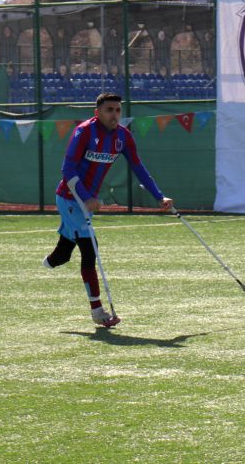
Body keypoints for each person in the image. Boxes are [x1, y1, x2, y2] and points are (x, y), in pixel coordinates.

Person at [42, 93, 173, 327]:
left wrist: (159, 196)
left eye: (118, 110)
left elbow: (138, 167)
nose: (114, 114)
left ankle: (50, 262)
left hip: (87, 202)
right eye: (109, 110)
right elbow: (67, 168)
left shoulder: (123, 137)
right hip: (70, 197)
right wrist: (86, 197)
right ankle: (98, 311)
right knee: (90, 249)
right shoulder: (84, 132)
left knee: (63, 255)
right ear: (97, 113)